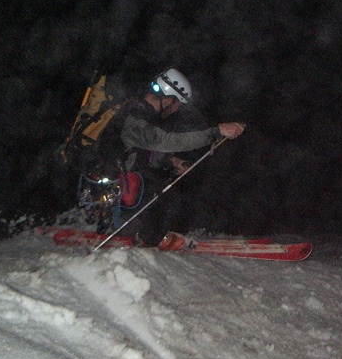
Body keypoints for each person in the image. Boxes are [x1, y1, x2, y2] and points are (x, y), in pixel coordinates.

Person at [85, 66, 245, 248]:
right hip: (113, 184)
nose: (176, 109)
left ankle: (141, 232)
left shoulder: (142, 114)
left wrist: (172, 161)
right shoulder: (134, 115)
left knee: (164, 188)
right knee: (159, 191)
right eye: (177, 104)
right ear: (168, 98)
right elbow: (165, 140)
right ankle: (145, 236)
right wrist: (216, 132)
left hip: (119, 182)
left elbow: (143, 151)